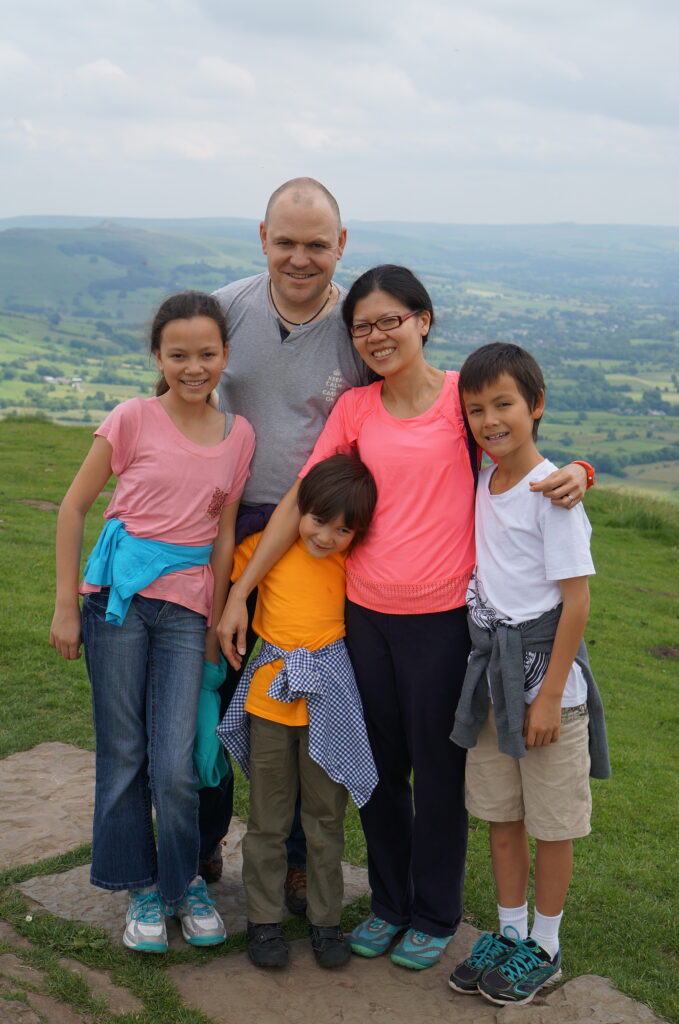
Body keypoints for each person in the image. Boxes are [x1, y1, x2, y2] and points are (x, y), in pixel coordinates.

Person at [217, 266, 593, 971]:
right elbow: (302, 497)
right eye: (362, 326)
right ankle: (389, 904)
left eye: (390, 320)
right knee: (381, 770)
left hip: (444, 622)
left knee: (438, 771)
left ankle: (434, 913)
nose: (376, 335)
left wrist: (579, 467)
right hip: (364, 618)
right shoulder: (356, 408)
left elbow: (515, 448)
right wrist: (242, 591)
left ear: (422, 320)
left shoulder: (459, 399)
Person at [49, 291, 255, 953]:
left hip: (186, 614)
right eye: (178, 355)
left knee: (176, 762)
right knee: (124, 754)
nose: (193, 367)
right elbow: (73, 508)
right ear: (158, 358)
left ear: (225, 355)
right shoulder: (132, 417)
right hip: (117, 603)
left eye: (207, 354)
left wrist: (216, 622)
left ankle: (185, 882)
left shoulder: (238, 434)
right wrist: (64, 605)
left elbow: (223, 537)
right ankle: (140, 887)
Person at [200, 178, 372, 910]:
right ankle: (204, 839)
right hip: (226, 525)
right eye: (285, 242)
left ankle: (298, 861)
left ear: (342, 245)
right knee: (215, 686)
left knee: (301, 700)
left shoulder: (360, 327)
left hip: (315, 539)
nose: (300, 259)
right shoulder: (225, 308)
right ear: (262, 239)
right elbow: (183, 398)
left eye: (316, 245)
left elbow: (417, 409)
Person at [449, 342, 610, 1005]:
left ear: (535, 405)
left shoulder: (553, 495)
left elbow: (577, 602)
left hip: (549, 694)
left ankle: (545, 944)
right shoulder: (482, 482)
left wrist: (546, 699)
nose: (489, 420)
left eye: (503, 404)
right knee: (501, 816)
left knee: (551, 824)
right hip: (493, 686)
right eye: (476, 409)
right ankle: (510, 932)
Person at [217, 454, 378, 970]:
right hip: (269, 700)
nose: (327, 537)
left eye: (343, 529)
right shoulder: (265, 551)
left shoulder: (354, 563)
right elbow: (219, 567)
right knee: (267, 818)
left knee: (325, 819)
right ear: (299, 510)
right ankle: (263, 920)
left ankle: (325, 921)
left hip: (329, 705)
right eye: (318, 520)